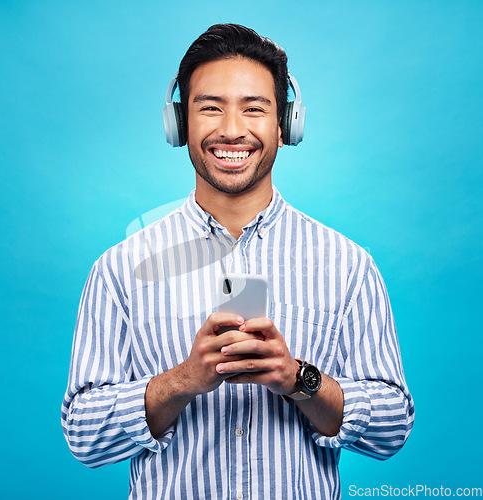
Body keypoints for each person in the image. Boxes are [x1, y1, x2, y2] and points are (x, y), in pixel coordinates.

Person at [62, 23, 414, 499]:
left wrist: (298, 380)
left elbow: (392, 428)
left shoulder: (348, 265)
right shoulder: (120, 270)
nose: (232, 129)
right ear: (179, 123)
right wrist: (183, 381)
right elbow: (83, 437)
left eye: (254, 108)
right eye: (210, 107)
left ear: (286, 125)